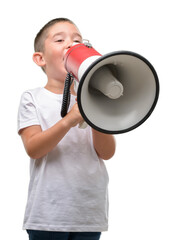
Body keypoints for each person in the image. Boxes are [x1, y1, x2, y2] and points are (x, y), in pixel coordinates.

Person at [17, 18, 116, 240]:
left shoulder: (93, 99)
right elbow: (33, 148)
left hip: (89, 214)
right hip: (48, 216)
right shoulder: (32, 98)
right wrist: (69, 120)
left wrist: (96, 106)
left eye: (78, 41)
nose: (71, 45)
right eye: (60, 40)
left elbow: (107, 153)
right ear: (40, 58)